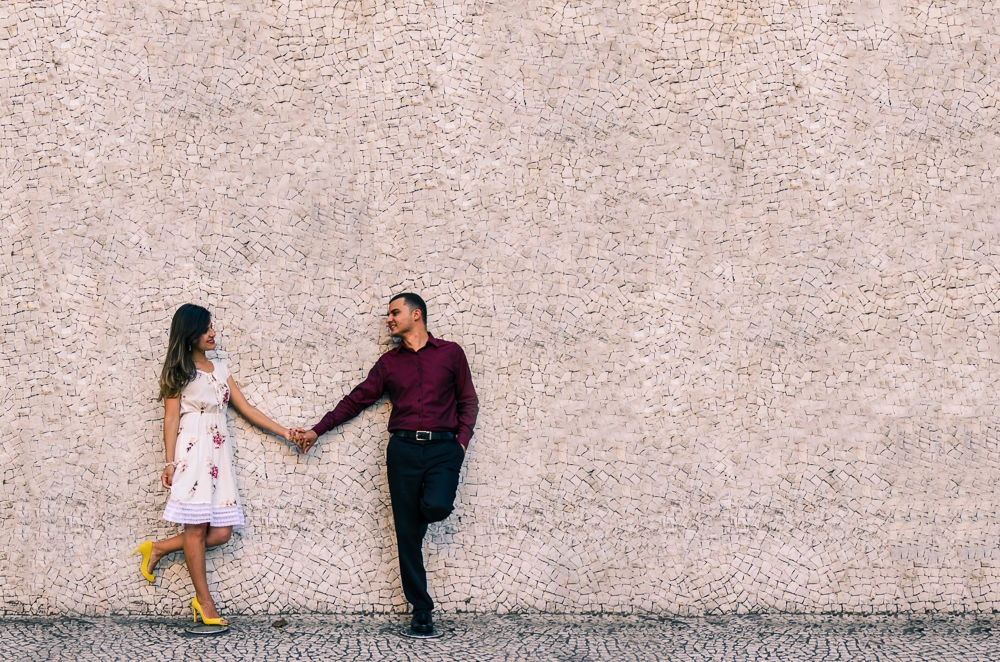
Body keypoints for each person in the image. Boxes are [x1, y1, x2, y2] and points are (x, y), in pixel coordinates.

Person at [292, 292, 478, 634]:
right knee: (407, 534)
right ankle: (421, 609)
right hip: (403, 452)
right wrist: (318, 430)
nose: (389, 319)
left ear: (416, 314)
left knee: (436, 506)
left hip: (443, 451)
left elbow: (468, 401)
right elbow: (357, 399)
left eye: (394, 313)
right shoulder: (389, 363)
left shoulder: (451, 353)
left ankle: (421, 513)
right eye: (388, 315)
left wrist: (460, 445)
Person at [131, 303, 298, 625]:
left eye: (212, 327)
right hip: (192, 451)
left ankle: (159, 548)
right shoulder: (177, 371)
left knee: (221, 532)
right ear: (190, 333)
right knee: (195, 529)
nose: (213, 333)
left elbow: (247, 409)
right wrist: (169, 462)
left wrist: (286, 433)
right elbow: (170, 418)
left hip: (218, 455)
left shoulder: (220, 370)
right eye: (207, 328)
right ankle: (204, 602)